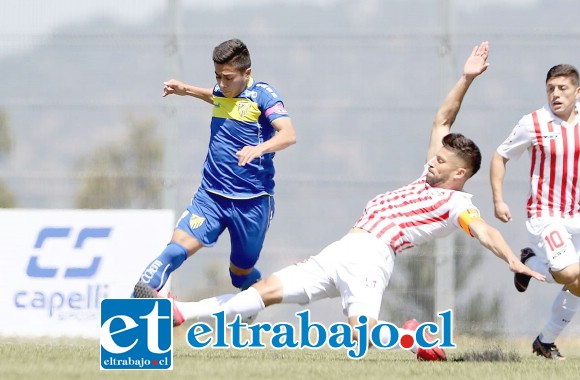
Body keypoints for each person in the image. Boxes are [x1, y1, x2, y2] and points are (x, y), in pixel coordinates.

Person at [135, 41, 544, 358]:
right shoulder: (428, 175)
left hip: (373, 258)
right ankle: (181, 313)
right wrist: (467, 78)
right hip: (343, 248)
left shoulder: (459, 204)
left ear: (459, 174)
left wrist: (510, 258)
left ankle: (410, 338)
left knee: (360, 336)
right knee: (259, 294)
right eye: (435, 156)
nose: (431, 161)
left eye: (441, 160)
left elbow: (484, 230)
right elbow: (443, 119)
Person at [134, 38, 297, 302]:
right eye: (218, 76)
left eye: (228, 77)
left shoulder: (263, 96)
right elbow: (215, 96)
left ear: (247, 74)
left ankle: (253, 291)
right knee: (174, 251)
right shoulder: (224, 90)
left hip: (252, 202)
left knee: (240, 274)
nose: (222, 83)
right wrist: (184, 89)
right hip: (211, 196)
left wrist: (259, 149)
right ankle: (138, 301)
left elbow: (288, 134)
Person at [490, 63, 580, 360]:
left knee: (577, 285)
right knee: (569, 272)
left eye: (562, 88)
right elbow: (501, 155)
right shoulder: (534, 123)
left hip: (576, 215)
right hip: (546, 215)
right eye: (551, 89)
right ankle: (529, 261)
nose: (555, 94)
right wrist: (498, 199)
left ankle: (544, 341)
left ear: (577, 92)